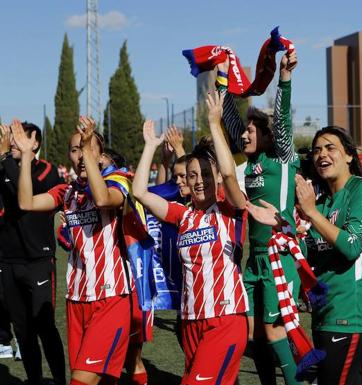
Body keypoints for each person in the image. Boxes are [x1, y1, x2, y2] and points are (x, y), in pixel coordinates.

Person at [249, 125, 362, 384]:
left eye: (330, 147)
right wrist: (282, 227)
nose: (321, 153)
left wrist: (310, 212)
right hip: (325, 316)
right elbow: (306, 254)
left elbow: (351, 246)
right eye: (317, 149)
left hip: (352, 316)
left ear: (348, 155)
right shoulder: (321, 202)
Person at [132, 91, 248, 385]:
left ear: (218, 177)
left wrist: (214, 124)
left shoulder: (229, 209)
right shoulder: (182, 215)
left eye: (206, 175)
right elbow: (140, 193)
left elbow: (230, 176)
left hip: (225, 319)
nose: (199, 181)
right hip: (191, 321)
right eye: (193, 175)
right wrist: (149, 148)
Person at [16, 117, 134, 385]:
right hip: (77, 299)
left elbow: (103, 199)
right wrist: (24, 156)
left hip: (110, 298)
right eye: (75, 149)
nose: (81, 156)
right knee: (97, 380)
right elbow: (25, 202)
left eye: (87, 148)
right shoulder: (66, 192)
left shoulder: (118, 182)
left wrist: (90, 149)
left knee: (81, 380)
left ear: (100, 155)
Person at [220, 50, 301, 385]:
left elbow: (280, 120)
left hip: (280, 259)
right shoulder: (250, 162)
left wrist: (284, 79)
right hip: (254, 261)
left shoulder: (281, 157)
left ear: (268, 136)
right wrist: (222, 77)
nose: (246, 134)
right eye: (247, 130)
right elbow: (229, 119)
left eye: (253, 130)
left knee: (274, 331)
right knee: (255, 335)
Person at [0, 120, 66, 385]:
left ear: (35, 142)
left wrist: (9, 157)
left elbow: (23, 195)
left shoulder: (47, 171)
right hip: (8, 260)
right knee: (23, 331)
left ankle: (60, 380)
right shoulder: (4, 167)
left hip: (38, 259)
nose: (13, 142)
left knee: (45, 327)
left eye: (19, 138)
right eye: (11, 138)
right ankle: (35, 380)